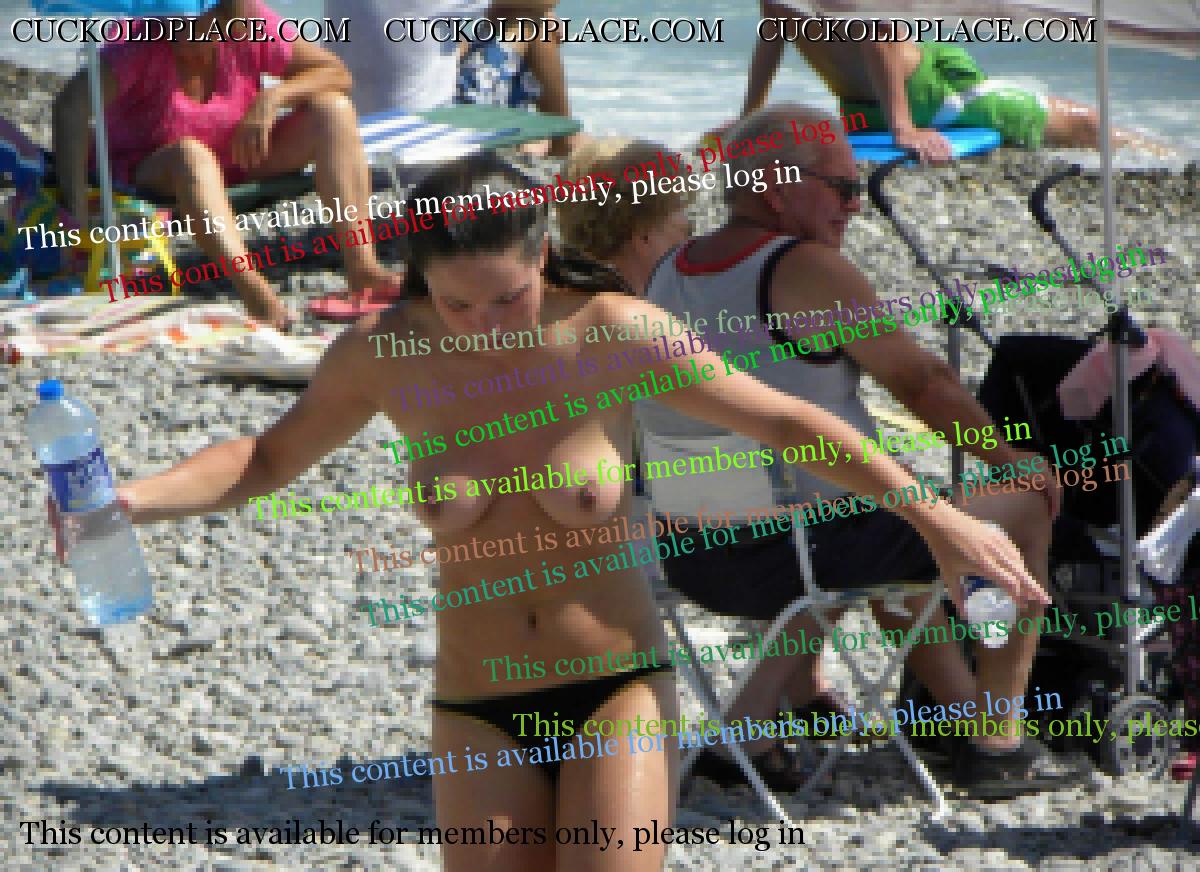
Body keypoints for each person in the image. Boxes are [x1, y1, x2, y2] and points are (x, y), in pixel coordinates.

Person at [52, 152, 1048, 868]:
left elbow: (789, 422)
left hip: (614, 688)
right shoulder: (383, 354)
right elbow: (265, 457)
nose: (486, 325)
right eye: (459, 304)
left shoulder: (613, 331)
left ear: (542, 256)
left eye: (510, 298)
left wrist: (940, 518)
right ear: (421, 279)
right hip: (474, 703)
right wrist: (126, 500)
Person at [637, 103, 1085, 798]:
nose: (855, 204)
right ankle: (998, 740)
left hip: (694, 553)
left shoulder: (669, 270)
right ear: (776, 189)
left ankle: (938, 717)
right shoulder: (804, 267)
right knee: (1014, 510)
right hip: (798, 552)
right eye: (843, 187)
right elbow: (922, 382)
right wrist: (1008, 458)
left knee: (901, 519)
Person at [52, 0, 402, 329]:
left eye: (194, 23)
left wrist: (272, 97)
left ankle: (363, 269)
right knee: (192, 154)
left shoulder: (249, 24)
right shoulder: (139, 41)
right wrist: (77, 209)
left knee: (333, 110)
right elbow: (70, 106)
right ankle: (253, 289)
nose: (181, 30)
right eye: (175, 22)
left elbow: (335, 72)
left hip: (237, 154)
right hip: (153, 167)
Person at [734, 3, 1171, 163]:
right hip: (931, 96)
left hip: (865, 108)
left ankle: (1164, 154)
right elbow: (876, 35)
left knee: (1064, 118)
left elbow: (774, 32)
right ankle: (1168, 156)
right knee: (1083, 122)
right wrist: (904, 128)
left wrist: (748, 118)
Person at [556, 137, 692, 295]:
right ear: (643, 232)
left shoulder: (563, 301)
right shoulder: (660, 307)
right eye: (679, 206)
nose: (687, 221)